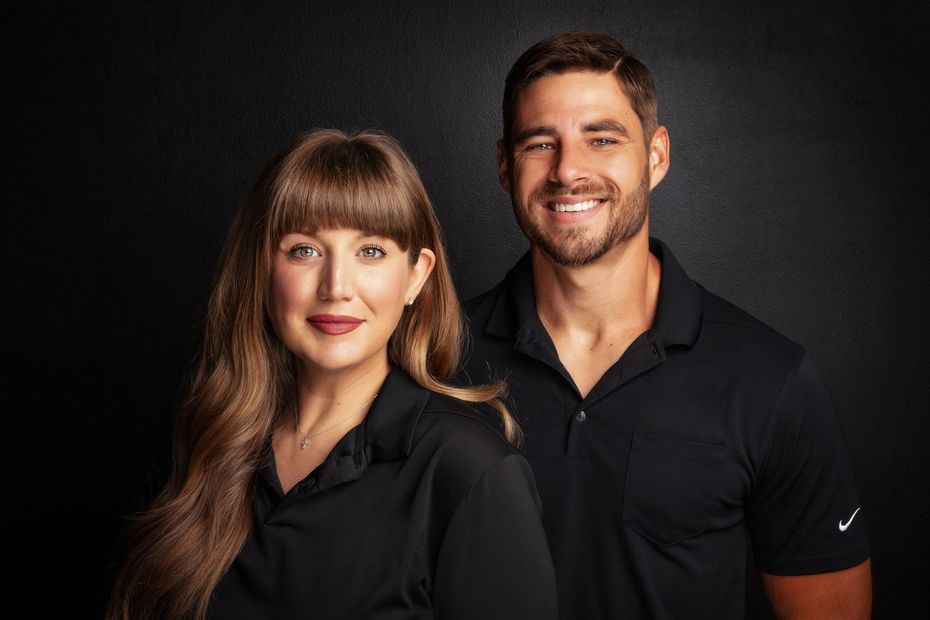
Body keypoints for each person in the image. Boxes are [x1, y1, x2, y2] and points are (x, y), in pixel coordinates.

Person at [460, 31, 872, 619]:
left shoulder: (770, 379)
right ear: (506, 164)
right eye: (540, 143)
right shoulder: (436, 359)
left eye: (602, 139)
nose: (568, 170)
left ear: (656, 156)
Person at [105, 128, 557, 619]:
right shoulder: (203, 438)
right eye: (305, 250)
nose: (336, 286)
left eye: (370, 251)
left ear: (416, 276)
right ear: (261, 269)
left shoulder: (470, 472)